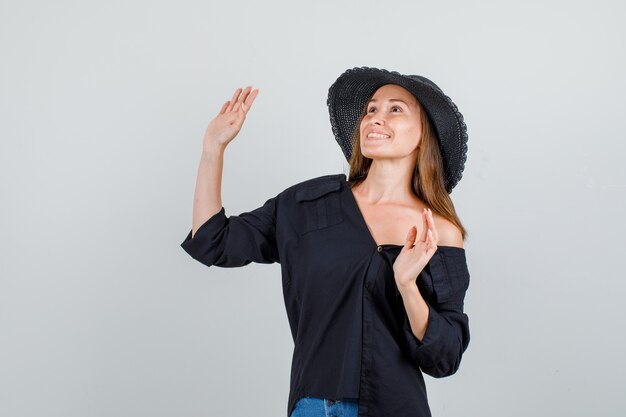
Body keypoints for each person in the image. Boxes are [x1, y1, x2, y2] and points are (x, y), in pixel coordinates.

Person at [180, 66, 471, 417]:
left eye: (395, 109)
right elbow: (213, 241)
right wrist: (213, 150)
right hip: (313, 406)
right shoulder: (307, 206)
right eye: (371, 109)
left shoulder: (437, 231)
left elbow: (445, 357)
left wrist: (407, 285)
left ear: (425, 134)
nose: (376, 118)